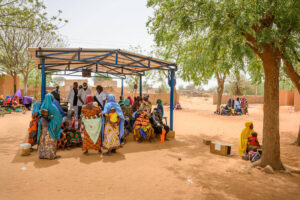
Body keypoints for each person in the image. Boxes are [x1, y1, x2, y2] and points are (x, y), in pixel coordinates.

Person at [37, 94, 62, 159]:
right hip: (51, 127)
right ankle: (51, 155)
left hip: (43, 127)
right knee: (50, 141)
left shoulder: (43, 106)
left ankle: (42, 155)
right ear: (51, 99)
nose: (52, 99)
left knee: (43, 140)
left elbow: (40, 115)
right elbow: (58, 117)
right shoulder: (53, 107)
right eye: (52, 98)